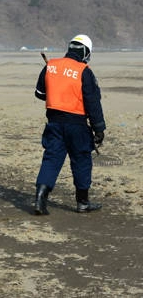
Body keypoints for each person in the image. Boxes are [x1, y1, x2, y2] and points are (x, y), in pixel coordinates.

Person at [33, 34, 106, 215]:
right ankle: (82, 202)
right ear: (85, 52)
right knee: (81, 161)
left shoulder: (50, 66)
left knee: (51, 159)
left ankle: (40, 198)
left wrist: (57, 91)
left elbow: (40, 93)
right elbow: (93, 102)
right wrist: (99, 129)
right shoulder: (84, 71)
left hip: (54, 123)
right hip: (77, 125)